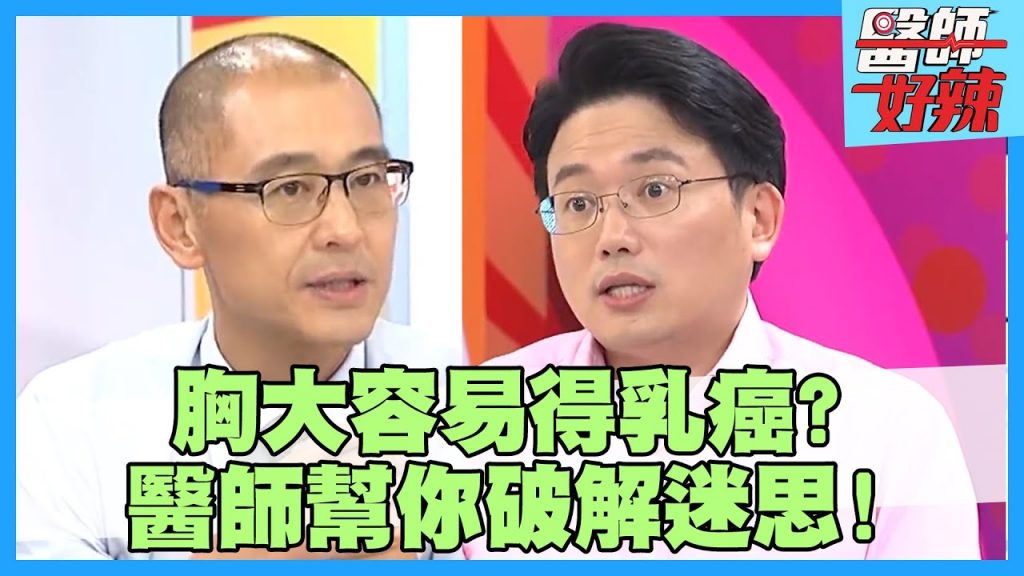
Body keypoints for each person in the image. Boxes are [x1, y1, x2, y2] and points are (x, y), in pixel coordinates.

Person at [455, 22, 980, 559]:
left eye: (654, 189)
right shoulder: (474, 430)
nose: (612, 238)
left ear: (758, 218)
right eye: (578, 204)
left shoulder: (886, 432)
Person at [16, 32, 461, 560]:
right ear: (180, 225)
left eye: (365, 180)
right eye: (290, 188)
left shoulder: (466, 400)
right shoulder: (75, 419)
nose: (345, 229)